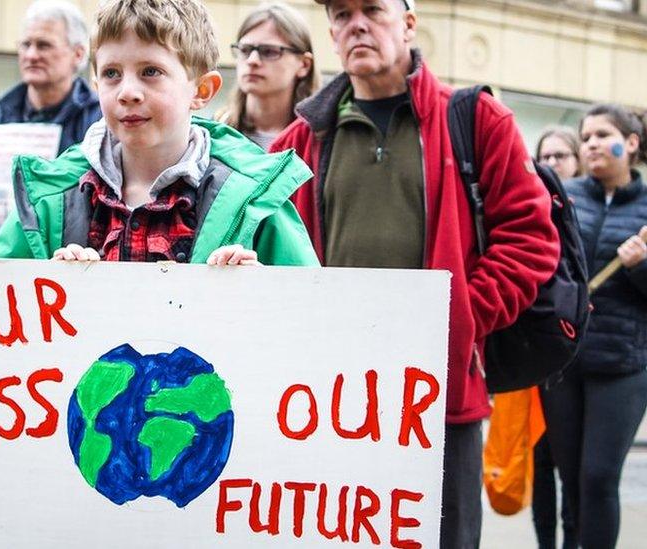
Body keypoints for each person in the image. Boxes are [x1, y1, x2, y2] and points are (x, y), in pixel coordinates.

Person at [270, 0, 560, 546]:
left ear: (407, 23)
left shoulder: (476, 120)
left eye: (372, 9)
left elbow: (531, 240)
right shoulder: (302, 140)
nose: (355, 24)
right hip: (327, 400)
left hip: (440, 396)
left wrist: (457, 320)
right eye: (341, 14)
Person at [0, 0, 318, 269]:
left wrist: (265, 293)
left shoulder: (256, 199)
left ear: (202, 90)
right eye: (112, 73)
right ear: (96, 84)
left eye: (151, 72)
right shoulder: (51, 196)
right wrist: (45, 285)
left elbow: (310, 317)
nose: (128, 91)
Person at [543, 104, 647, 549]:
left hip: (622, 364)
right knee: (570, 479)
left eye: (603, 135)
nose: (591, 145)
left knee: (599, 478)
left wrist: (640, 267)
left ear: (631, 143)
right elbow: (546, 269)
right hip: (564, 360)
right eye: (585, 138)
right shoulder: (566, 199)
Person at [0, 0, 103, 252]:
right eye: (25, 44)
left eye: (43, 45)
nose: (32, 54)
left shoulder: (100, 123)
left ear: (78, 54)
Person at [532, 125, 583, 549]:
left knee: (574, 467)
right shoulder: (534, 203)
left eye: (560, 156)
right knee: (538, 460)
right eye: (545, 157)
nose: (551, 165)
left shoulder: (581, 206)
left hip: (583, 354)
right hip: (539, 350)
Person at [216, 2, 317, 149]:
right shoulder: (214, 133)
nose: (252, 60)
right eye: (245, 50)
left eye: (269, 51)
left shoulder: (320, 140)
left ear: (304, 64)